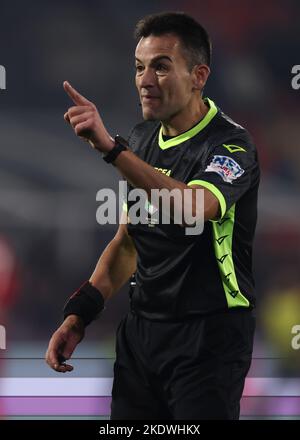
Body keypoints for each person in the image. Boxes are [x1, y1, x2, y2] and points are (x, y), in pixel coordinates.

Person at [46, 12, 260, 420]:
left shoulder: (231, 145)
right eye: (140, 68)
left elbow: (197, 207)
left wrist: (113, 151)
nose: (145, 81)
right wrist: (79, 315)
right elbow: (128, 242)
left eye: (161, 67)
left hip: (209, 335)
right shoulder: (142, 140)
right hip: (142, 334)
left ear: (199, 75)